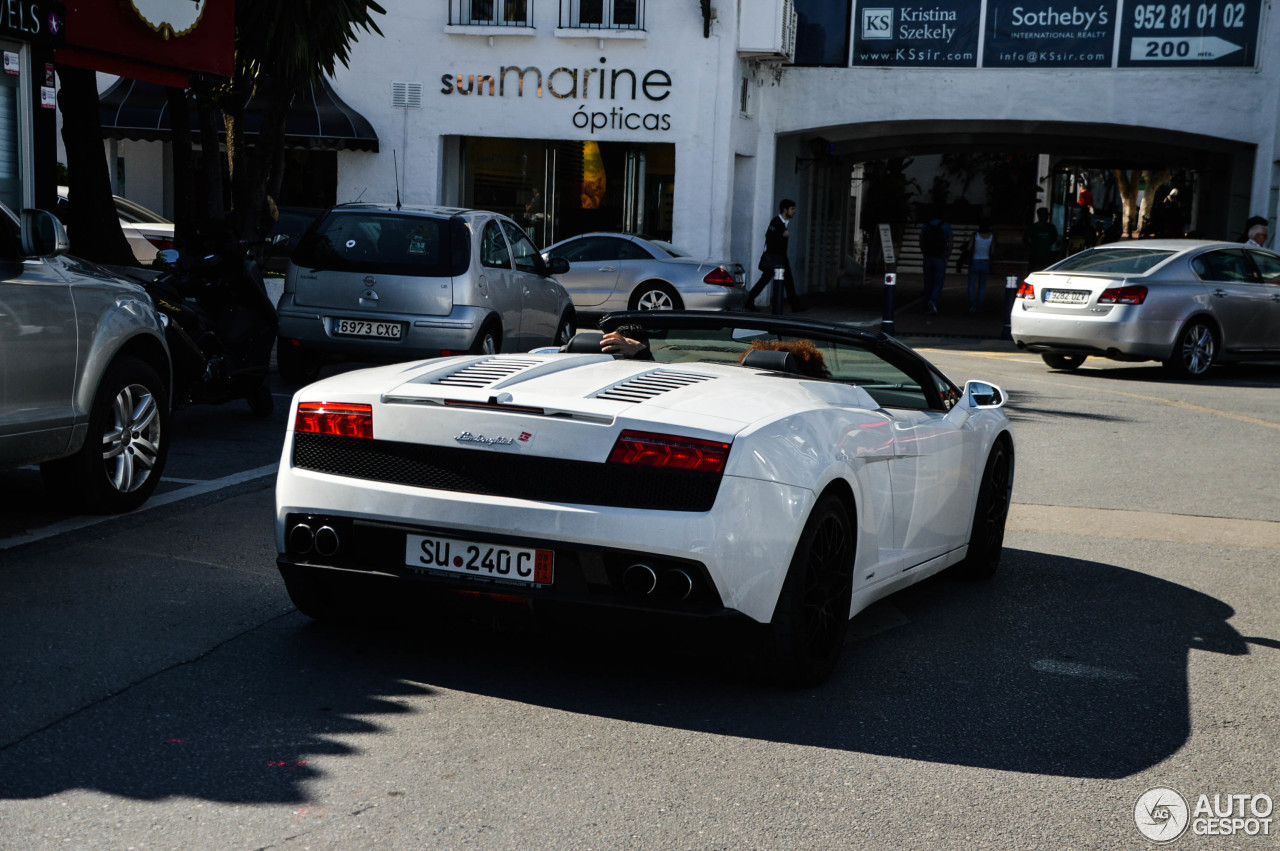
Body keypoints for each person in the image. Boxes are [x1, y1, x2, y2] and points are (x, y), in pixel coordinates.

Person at [745, 199, 805, 313]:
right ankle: (749, 300)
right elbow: (769, 237)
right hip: (775, 257)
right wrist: (782, 235)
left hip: (780, 257)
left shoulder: (783, 223)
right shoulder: (776, 222)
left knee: (784, 281)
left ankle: (794, 305)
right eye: (792, 209)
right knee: (770, 280)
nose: (794, 211)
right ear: (785, 210)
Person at [918, 212, 952, 314]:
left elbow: (920, 239)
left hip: (928, 256)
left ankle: (927, 303)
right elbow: (950, 241)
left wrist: (923, 251)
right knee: (938, 281)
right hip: (940, 257)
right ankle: (933, 301)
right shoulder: (946, 225)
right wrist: (947, 254)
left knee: (928, 281)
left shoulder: (926, 225)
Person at [963, 221, 996, 313]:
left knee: (971, 285)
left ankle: (973, 304)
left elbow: (969, 247)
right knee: (982, 286)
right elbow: (992, 251)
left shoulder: (975, 235)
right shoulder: (991, 237)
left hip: (975, 261)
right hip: (986, 261)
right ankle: (980, 306)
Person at [1023, 207, 1060, 273]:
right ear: (1039, 215)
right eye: (1043, 214)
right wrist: (1031, 247)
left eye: (1046, 215)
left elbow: (1055, 239)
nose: (1045, 216)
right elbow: (1025, 239)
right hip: (1035, 256)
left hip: (1047, 256)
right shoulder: (1033, 227)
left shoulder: (1051, 227)